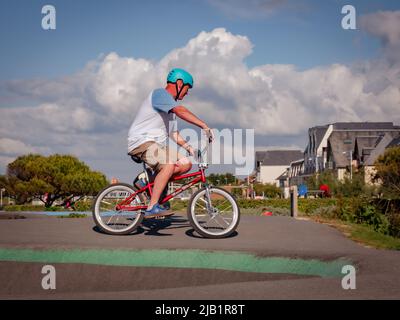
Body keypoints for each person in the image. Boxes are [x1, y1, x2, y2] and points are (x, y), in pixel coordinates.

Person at [127, 68, 214, 218]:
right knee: (168, 164)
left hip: (156, 145)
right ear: (179, 83)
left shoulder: (170, 108)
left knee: (185, 163)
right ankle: (152, 206)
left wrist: (189, 148)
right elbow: (181, 110)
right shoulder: (160, 94)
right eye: (187, 88)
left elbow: (173, 134)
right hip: (142, 141)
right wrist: (203, 125)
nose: (187, 93)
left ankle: (148, 182)